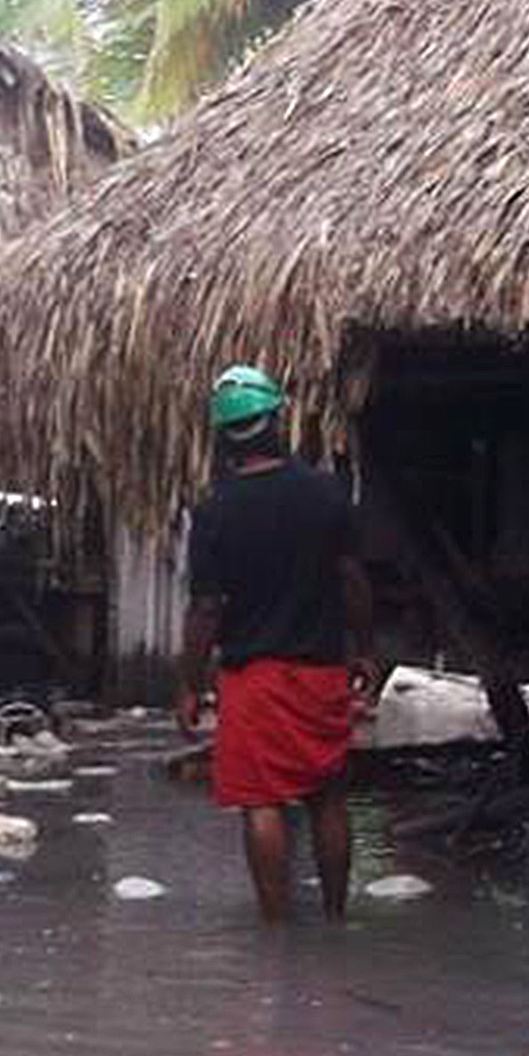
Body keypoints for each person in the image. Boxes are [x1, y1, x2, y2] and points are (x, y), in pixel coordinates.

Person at [176, 366, 376, 921]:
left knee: (260, 802)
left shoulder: (215, 512)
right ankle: (335, 918)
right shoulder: (325, 493)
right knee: (328, 796)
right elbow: (352, 577)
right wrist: (364, 648)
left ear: (223, 437)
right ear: (276, 423)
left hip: (253, 679)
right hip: (321, 670)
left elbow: (207, 608)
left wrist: (190, 684)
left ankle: (275, 932)